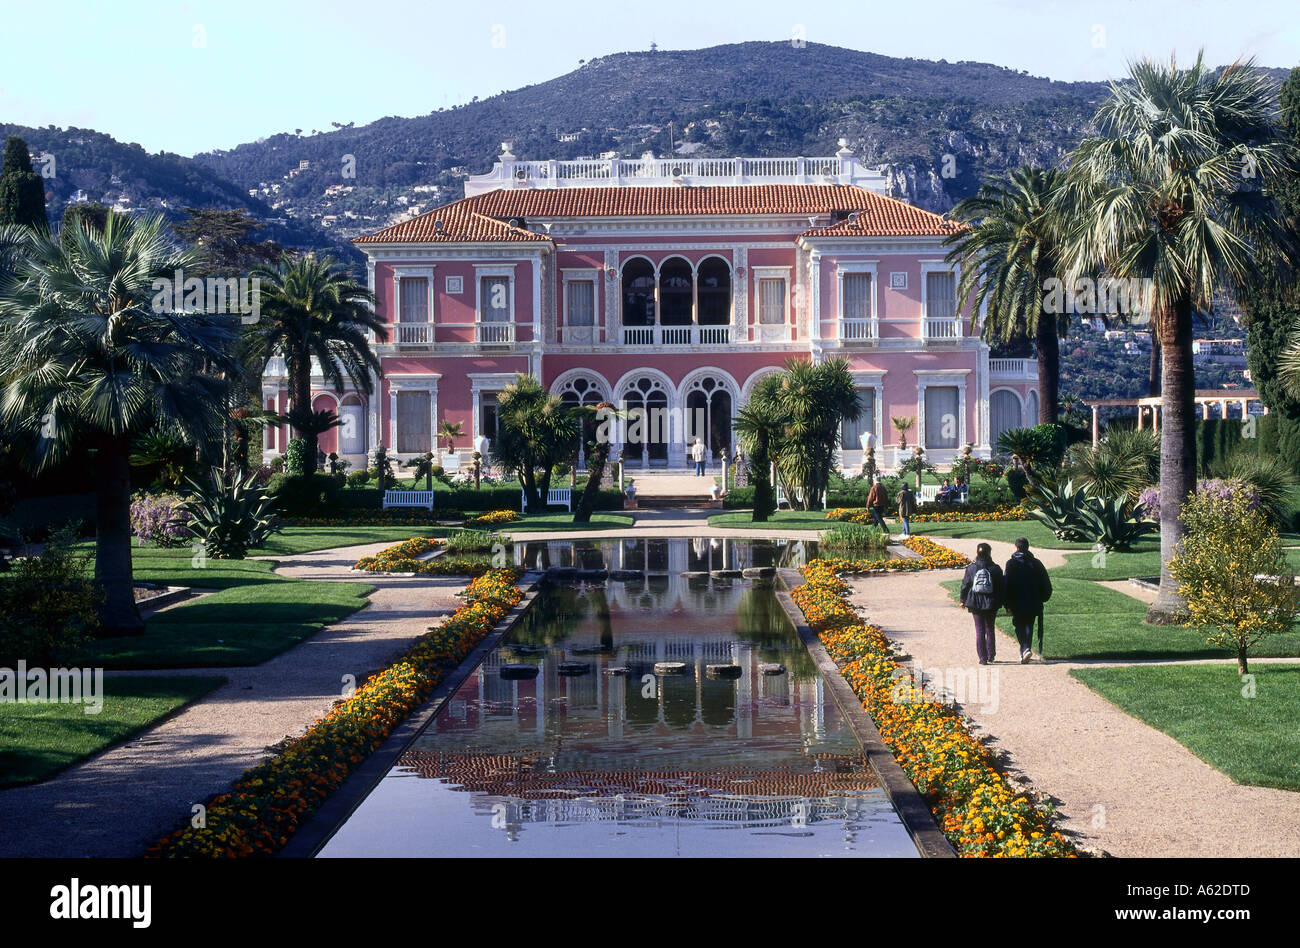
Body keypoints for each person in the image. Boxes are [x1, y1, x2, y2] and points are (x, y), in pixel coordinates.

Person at [1003, 537, 1053, 663]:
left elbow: (1006, 584)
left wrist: (1006, 603)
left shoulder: (1011, 564)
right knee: (1028, 625)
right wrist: (1043, 598)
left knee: (1019, 624)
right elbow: (1046, 584)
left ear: (1017, 547)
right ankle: (1025, 650)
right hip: (1034, 600)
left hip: (1017, 601)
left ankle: (1025, 649)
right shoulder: (1036, 563)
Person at [960, 542, 1005, 665]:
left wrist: (962, 600)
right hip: (991, 602)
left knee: (979, 630)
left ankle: (982, 658)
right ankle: (991, 655)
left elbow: (965, 585)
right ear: (989, 553)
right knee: (990, 628)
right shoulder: (996, 568)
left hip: (975, 602)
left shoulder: (971, 568)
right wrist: (1004, 603)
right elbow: (1001, 588)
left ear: (977, 553)